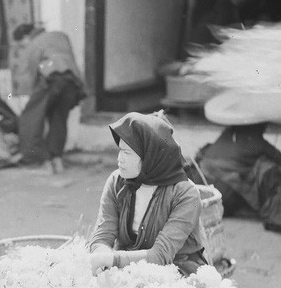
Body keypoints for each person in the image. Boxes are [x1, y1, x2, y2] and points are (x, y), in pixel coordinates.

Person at [88, 112, 208, 277]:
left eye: (127, 153)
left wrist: (112, 260)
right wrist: (101, 256)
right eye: (120, 150)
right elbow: (103, 234)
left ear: (149, 156)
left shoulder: (186, 194)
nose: (119, 159)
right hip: (125, 266)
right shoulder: (117, 182)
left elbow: (160, 255)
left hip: (177, 269)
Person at [12, 23, 86, 174]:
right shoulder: (60, 36)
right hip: (72, 82)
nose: (23, 47)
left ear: (26, 37)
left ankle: (40, 162)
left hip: (52, 79)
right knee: (58, 119)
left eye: (21, 44)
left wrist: (28, 95)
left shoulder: (34, 43)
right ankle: (57, 160)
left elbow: (28, 72)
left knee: (30, 118)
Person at [191, 123, 281, 217]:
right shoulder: (257, 141)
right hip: (221, 195)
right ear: (259, 127)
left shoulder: (227, 134)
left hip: (198, 186)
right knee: (266, 166)